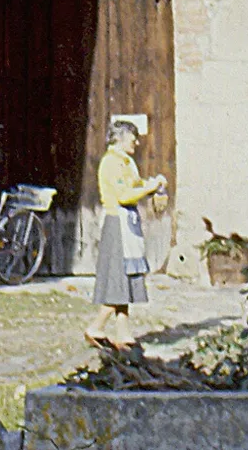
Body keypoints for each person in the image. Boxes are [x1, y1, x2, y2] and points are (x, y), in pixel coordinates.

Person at [85, 119, 166, 348]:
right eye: (133, 139)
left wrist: (153, 185)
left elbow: (136, 185)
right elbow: (123, 195)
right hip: (116, 223)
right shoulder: (111, 162)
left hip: (128, 223)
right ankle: (96, 327)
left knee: (126, 277)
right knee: (118, 279)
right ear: (120, 139)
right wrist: (148, 189)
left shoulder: (127, 162)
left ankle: (124, 333)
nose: (136, 143)